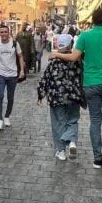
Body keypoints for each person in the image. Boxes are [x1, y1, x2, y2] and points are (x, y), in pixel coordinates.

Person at [49, 8, 102, 169]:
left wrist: (57, 54)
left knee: (95, 120)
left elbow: (74, 57)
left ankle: (97, 159)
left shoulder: (85, 36)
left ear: (92, 21)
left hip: (91, 84)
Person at [37, 32, 84, 161]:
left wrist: (41, 95)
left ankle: (61, 150)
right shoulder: (77, 61)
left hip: (56, 97)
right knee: (73, 120)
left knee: (58, 123)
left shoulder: (53, 62)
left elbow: (45, 79)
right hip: (74, 96)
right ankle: (72, 141)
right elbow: (83, 77)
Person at [0, 24, 24, 131]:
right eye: (2, 32)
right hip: (0, 74)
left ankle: (6, 116)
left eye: (5, 32)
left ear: (8, 33)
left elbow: (20, 56)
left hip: (12, 75)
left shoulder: (14, 44)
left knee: (10, 97)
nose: (4, 34)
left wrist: (22, 70)